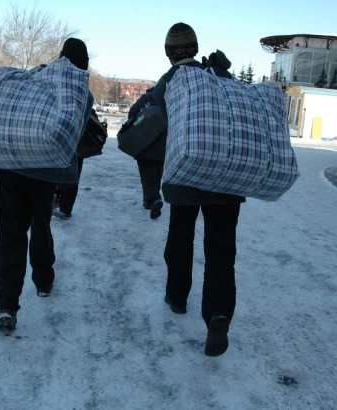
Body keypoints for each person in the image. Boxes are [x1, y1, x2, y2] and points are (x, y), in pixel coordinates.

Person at [153, 23, 245, 356]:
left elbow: (158, 124)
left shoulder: (168, 83)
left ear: (168, 53)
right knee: (221, 250)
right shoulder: (219, 75)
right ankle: (218, 313)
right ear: (195, 47)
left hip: (186, 175)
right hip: (227, 177)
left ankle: (177, 297)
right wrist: (221, 72)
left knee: (180, 236)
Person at [0, 38, 94, 331]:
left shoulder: (32, 75)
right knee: (40, 223)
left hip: (10, 165)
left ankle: (6, 306)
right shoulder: (80, 92)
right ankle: (44, 281)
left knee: (9, 232)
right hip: (45, 170)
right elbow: (74, 136)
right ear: (83, 66)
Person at [127, 88, 166, 219]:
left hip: (144, 141)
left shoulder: (147, 97)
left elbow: (132, 112)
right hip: (163, 142)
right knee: (157, 173)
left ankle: (154, 199)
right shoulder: (167, 98)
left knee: (146, 174)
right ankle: (149, 201)